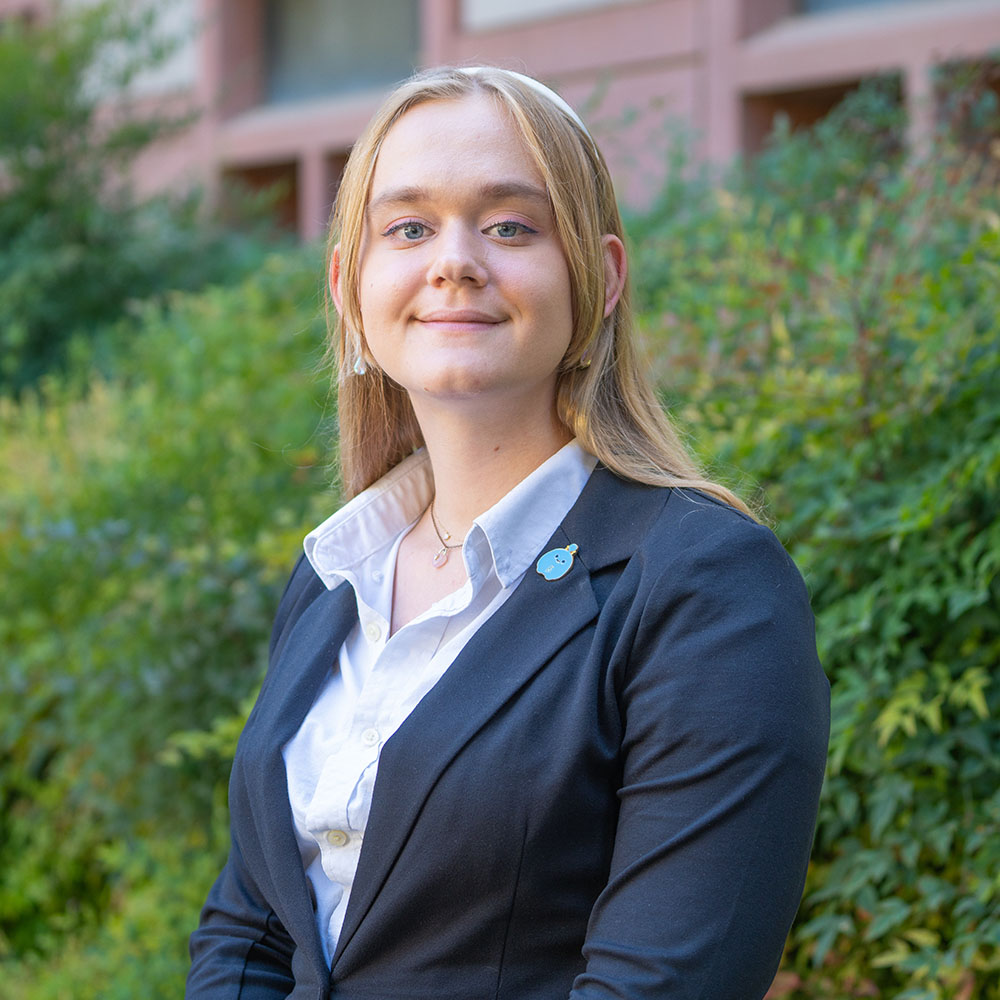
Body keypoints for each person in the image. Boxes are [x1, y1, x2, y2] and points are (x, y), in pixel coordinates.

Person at [186, 66, 830, 1000]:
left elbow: (661, 984)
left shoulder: (704, 585)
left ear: (600, 280)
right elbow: (250, 930)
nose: (454, 260)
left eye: (511, 226)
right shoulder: (336, 577)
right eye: (408, 227)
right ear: (347, 286)